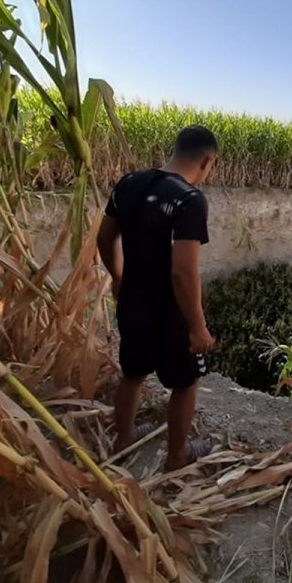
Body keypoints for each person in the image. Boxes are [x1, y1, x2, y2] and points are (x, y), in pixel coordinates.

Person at [97, 125, 218, 468]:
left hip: (132, 301)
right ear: (207, 160)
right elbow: (182, 271)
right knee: (186, 382)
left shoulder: (129, 183)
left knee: (132, 375)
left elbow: (105, 239)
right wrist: (197, 326)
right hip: (169, 313)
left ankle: (124, 438)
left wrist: (117, 277)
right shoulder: (189, 199)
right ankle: (178, 454)